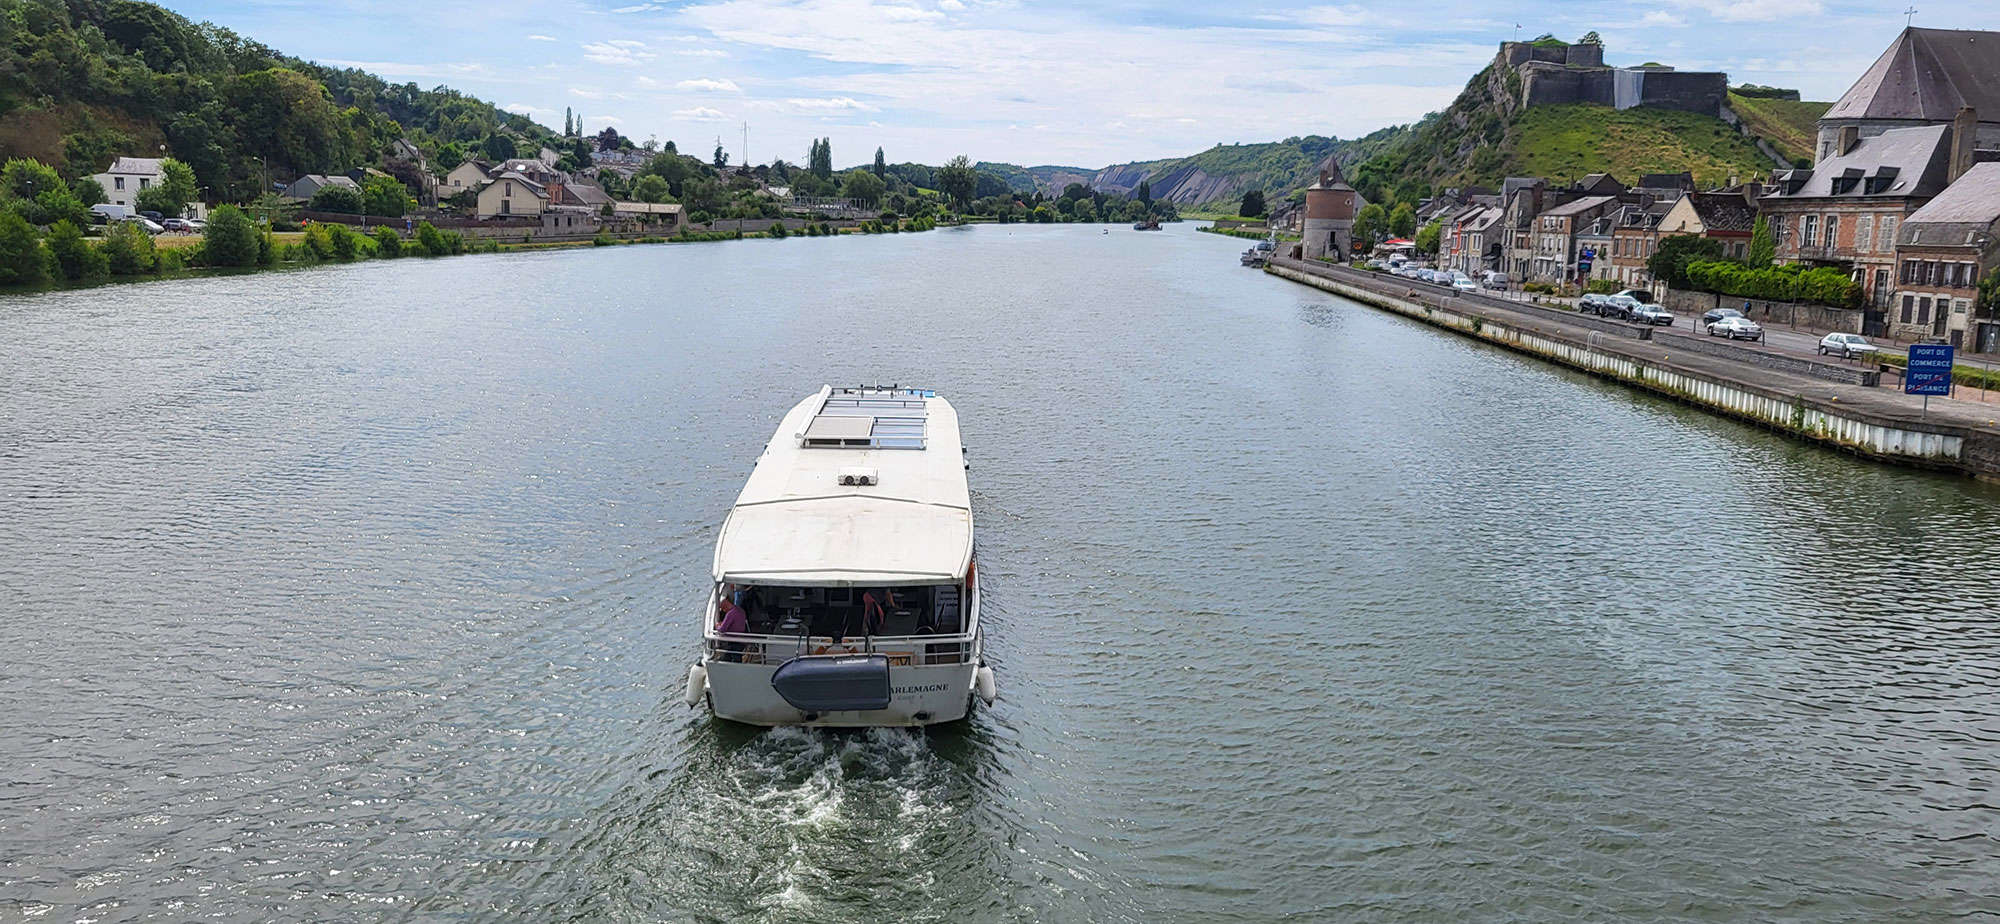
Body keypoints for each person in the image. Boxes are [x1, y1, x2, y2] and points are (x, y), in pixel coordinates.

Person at [717, 596, 748, 661]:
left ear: (724, 606)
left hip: (734, 641)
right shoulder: (740, 610)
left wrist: (717, 625)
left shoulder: (730, 614)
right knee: (735, 657)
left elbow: (722, 629)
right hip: (741, 639)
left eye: (722, 608)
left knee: (727, 657)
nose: (723, 610)